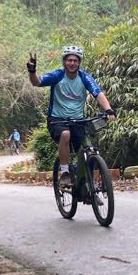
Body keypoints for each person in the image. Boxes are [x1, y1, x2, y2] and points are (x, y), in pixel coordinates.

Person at [26, 45, 115, 187]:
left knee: (87, 149)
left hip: (78, 121)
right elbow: (37, 82)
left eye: (75, 60)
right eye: (69, 60)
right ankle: (65, 172)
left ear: (79, 62)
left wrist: (108, 110)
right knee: (65, 134)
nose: (72, 63)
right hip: (57, 120)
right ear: (64, 61)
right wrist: (32, 71)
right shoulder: (58, 75)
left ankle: (87, 184)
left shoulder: (84, 77)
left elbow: (97, 93)